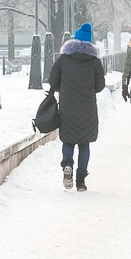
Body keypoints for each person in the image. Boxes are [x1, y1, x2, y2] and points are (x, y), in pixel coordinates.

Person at [47, 23, 105, 191]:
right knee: (84, 143)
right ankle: (80, 181)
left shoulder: (63, 59)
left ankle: (67, 165)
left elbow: (52, 80)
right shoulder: (94, 62)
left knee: (68, 139)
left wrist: (63, 87)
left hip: (67, 106)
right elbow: (100, 86)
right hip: (87, 107)